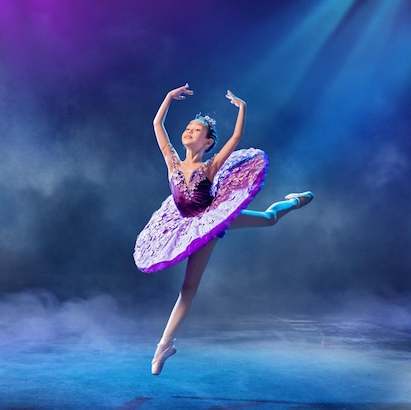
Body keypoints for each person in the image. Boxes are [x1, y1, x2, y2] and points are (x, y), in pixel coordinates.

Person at [133, 83, 313, 375]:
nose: (189, 132)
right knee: (188, 289)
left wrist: (242, 108)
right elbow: (157, 125)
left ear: (207, 143)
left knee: (267, 220)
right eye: (188, 128)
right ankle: (165, 344)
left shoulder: (210, 167)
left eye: (196, 131)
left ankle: (292, 201)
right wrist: (167, 98)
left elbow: (237, 136)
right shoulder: (172, 163)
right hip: (185, 223)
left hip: (209, 220)